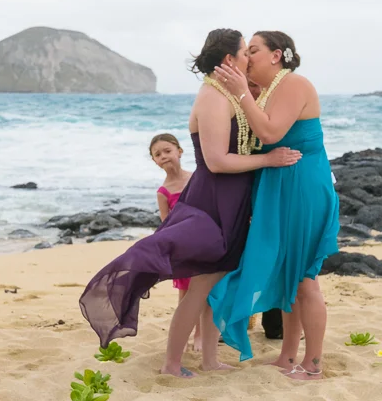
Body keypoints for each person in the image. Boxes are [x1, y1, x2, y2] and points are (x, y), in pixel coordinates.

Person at [79, 28, 301, 377]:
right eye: (245, 53)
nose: (249, 58)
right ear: (229, 59)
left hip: (233, 201)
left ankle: (210, 359)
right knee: (200, 287)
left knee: (215, 285)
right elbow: (216, 161)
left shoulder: (229, 93)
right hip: (214, 201)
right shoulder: (212, 97)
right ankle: (171, 364)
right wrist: (268, 161)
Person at [208, 31, 339, 381]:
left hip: (302, 186)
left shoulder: (294, 84)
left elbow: (270, 134)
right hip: (280, 184)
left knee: (304, 277)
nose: (247, 58)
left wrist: (240, 93)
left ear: (277, 55)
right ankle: (287, 355)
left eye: (254, 50)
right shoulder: (268, 91)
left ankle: (312, 364)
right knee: (288, 272)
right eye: (245, 51)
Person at [149, 132, 196, 348]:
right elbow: (165, 224)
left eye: (167, 151)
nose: (164, 156)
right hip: (182, 247)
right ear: (154, 161)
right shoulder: (163, 192)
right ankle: (183, 336)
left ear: (180, 151)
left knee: (205, 293)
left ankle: (200, 336)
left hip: (203, 242)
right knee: (185, 294)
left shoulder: (196, 178)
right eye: (158, 154)